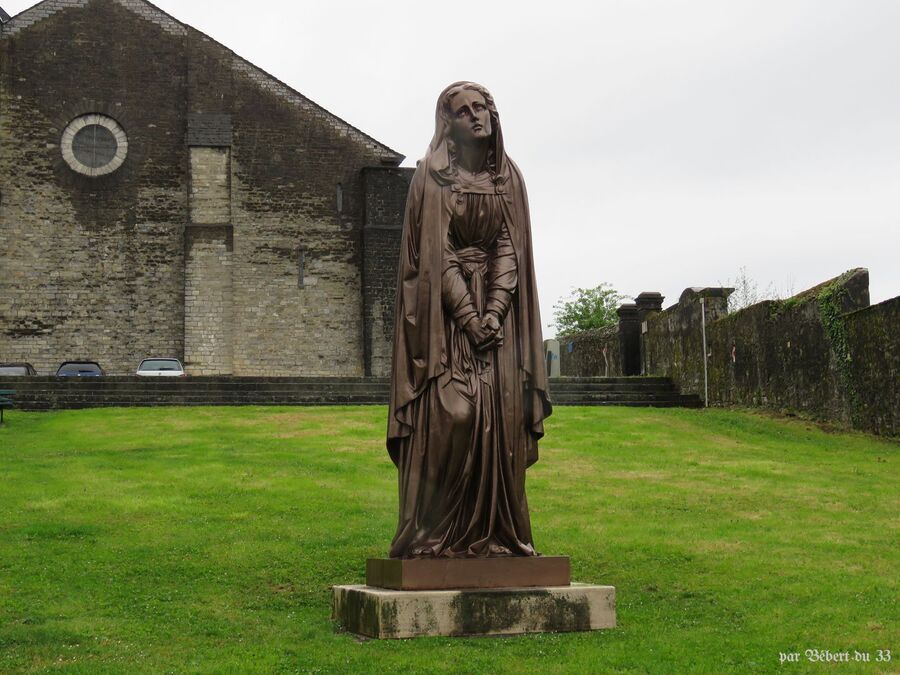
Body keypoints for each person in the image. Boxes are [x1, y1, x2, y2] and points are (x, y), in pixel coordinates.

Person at [387, 82, 552, 559]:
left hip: (497, 324)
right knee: (454, 416)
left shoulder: (509, 179)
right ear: (449, 125)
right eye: (463, 111)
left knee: (500, 420)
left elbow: (510, 246)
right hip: (445, 323)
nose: (476, 116)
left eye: (482, 108)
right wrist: (468, 316)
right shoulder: (429, 179)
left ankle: (497, 535)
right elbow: (433, 257)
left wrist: (495, 312)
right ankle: (432, 535)